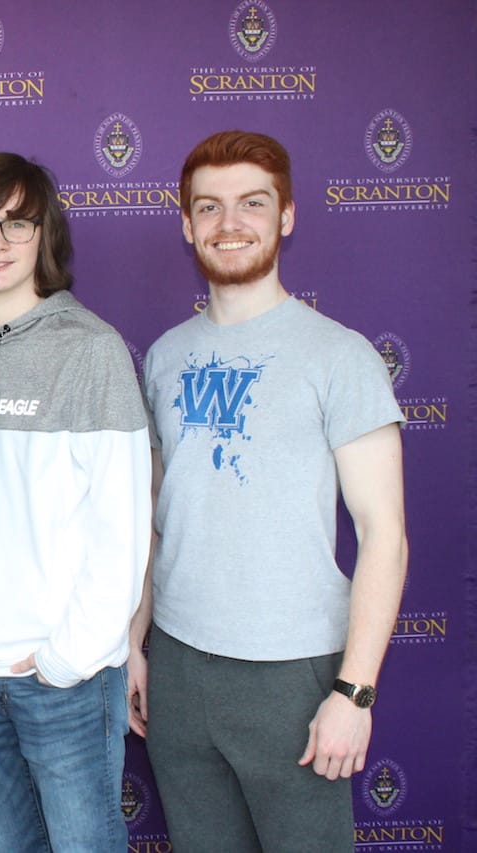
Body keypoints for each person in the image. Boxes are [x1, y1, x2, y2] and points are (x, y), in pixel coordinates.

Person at [129, 130, 408, 852]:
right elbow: (157, 520)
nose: (230, 223)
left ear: (286, 215)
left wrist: (353, 692)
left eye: (252, 203)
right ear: (186, 222)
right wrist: (135, 643)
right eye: (209, 206)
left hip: (294, 675)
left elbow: (384, 534)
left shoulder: (340, 356)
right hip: (181, 669)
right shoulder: (164, 356)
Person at [0, 152, 151, 852]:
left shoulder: (92, 350)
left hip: (65, 675)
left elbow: (124, 524)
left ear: (44, 235)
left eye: (16, 223)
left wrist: (68, 657)